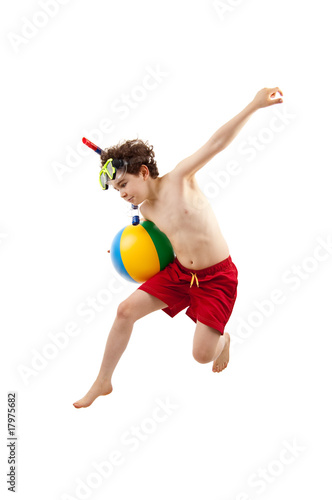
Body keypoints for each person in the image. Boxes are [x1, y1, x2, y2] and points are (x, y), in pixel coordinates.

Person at [73, 87, 283, 409]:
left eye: (123, 184)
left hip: (216, 278)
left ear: (143, 172)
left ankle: (223, 340)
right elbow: (152, 245)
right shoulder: (145, 212)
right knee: (124, 311)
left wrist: (254, 105)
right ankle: (103, 381)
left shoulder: (180, 179)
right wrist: (120, 253)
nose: (121, 194)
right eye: (116, 189)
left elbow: (216, 142)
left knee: (201, 355)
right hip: (180, 273)